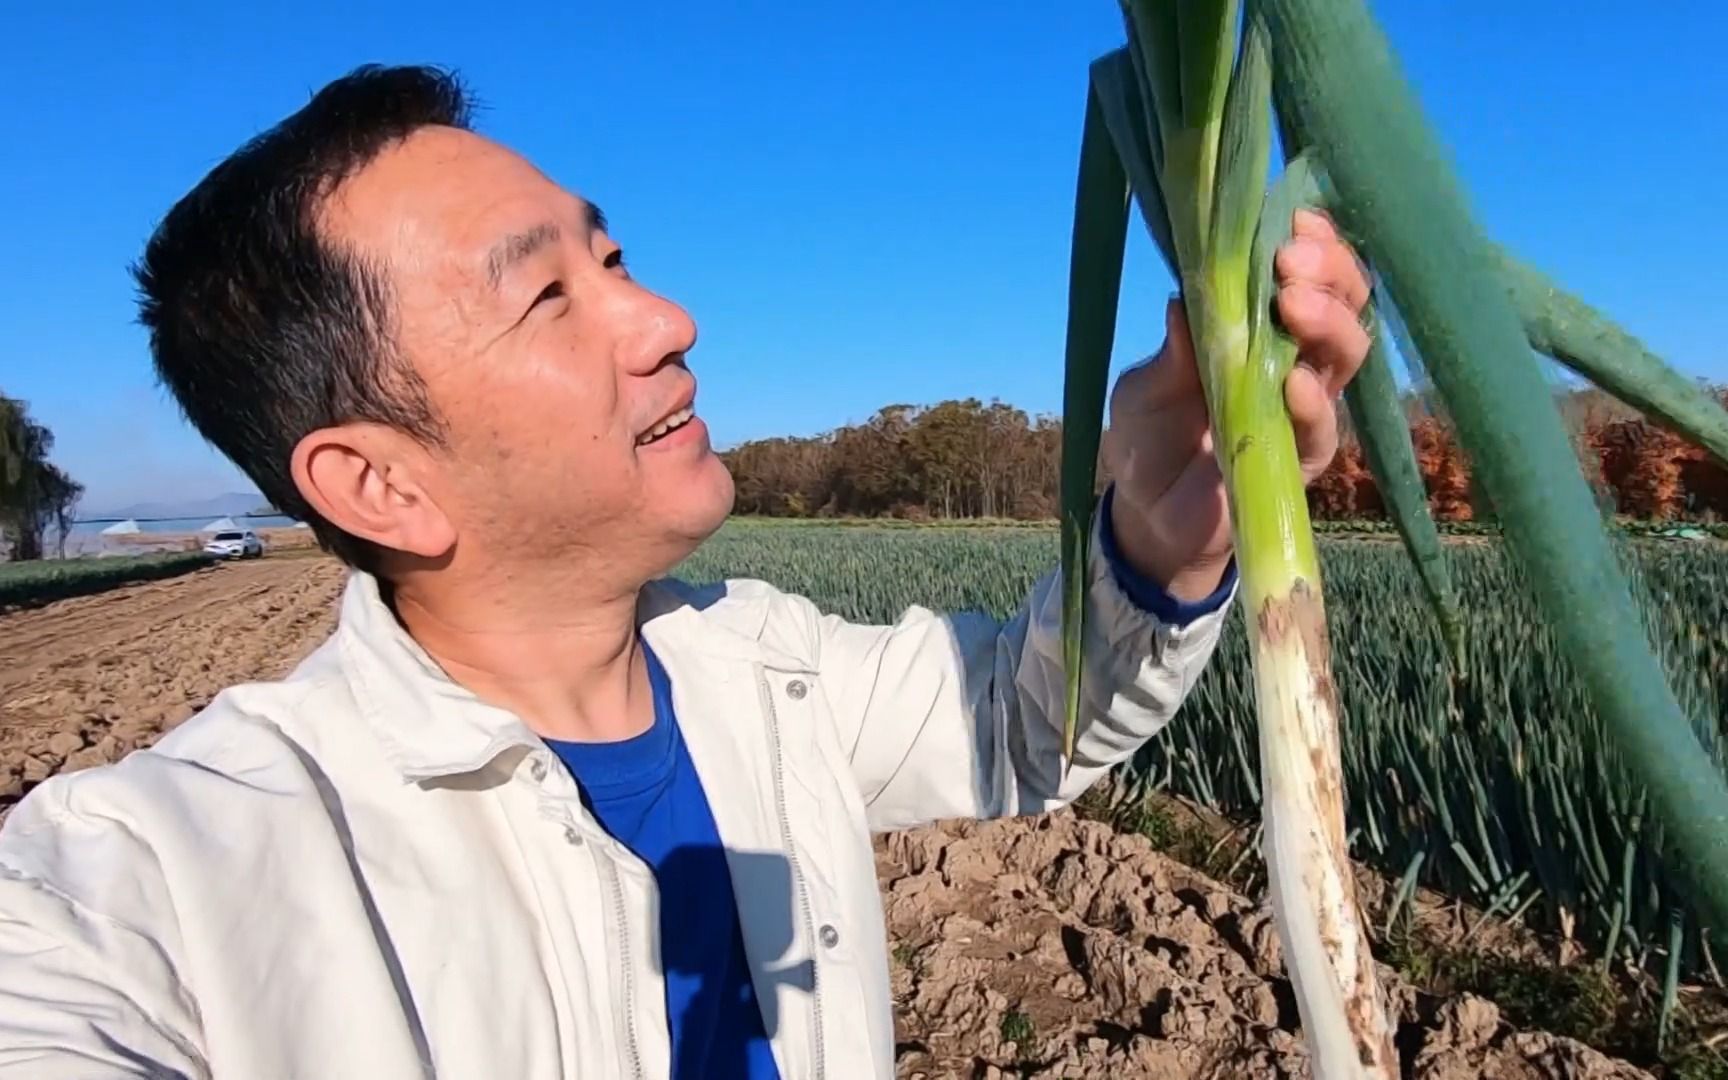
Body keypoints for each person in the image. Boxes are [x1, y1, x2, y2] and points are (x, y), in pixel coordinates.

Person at [0, 65, 1371, 1079]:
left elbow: (1024, 722)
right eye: (548, 295)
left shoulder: (766, 672)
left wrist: (1164, 524)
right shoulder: (144, 881)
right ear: (381, 485)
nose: (667, 319)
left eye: (612, 257)